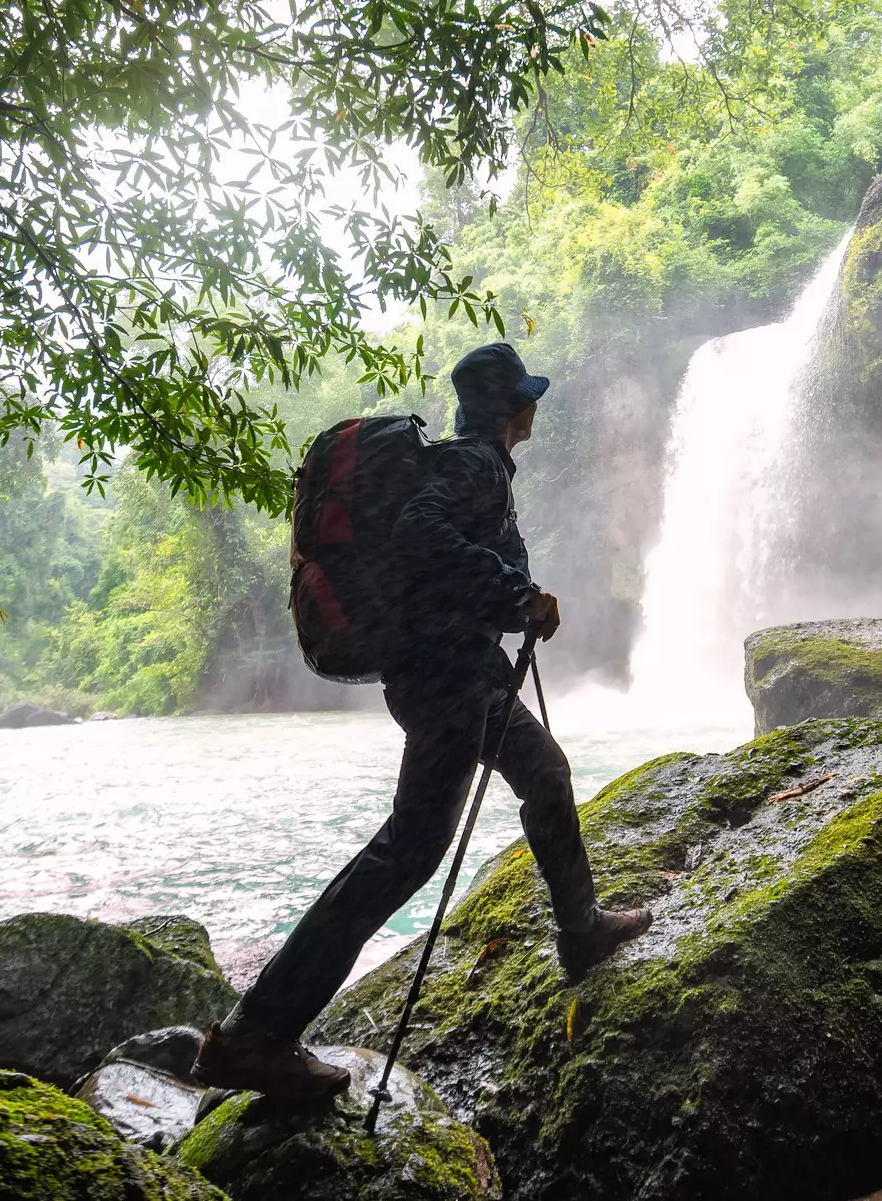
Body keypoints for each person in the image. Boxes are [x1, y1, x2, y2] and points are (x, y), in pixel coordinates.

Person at [191, 342, 652, 1099]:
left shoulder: (473, 465)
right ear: (513, 410)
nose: (536, 406)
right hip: (450, 675)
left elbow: (434, 552)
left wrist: (507, 600)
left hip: (442, 672)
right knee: (542, 775)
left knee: (409, 849)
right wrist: (519, 591)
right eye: (528, 396)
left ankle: (256, 1030)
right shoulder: (470, 465)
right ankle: (581, 932)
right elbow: (420, 536)